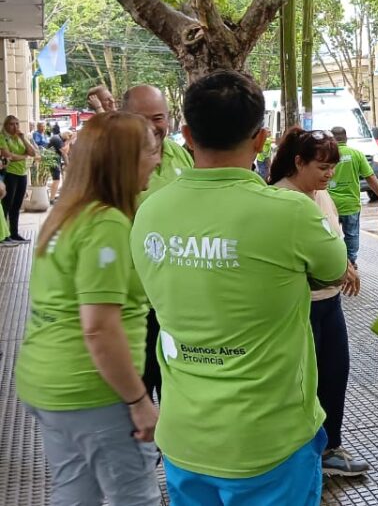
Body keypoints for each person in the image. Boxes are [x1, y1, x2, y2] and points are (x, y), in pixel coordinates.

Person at [130, 71, 348, 505]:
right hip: (271, 440)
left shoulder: (150, 211)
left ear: (187, 134)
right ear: (262, 138)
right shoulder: (288, 212)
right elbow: (333, 269)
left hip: (185, 438)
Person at [15, 111, 163, 506]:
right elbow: (99, 328)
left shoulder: (67, 214)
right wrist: (138, 400)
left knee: (76, 491)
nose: (159, 160)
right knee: (135, 495)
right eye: (152, 150)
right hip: (91, 390)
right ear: (125, 160)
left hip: (46, 381)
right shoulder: (106, 224)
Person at [269, 127, 371, 478]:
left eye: (332, 167)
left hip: (330, 305)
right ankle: (303, 454)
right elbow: (294, 261)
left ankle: (330, 448)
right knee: (304, 384)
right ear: (298, 162)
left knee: (335, 373)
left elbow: (333, 239)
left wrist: (348, 264)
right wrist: (339, 269)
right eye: (322, 167)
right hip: (301, 307)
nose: (329, 174)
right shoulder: (281, 199)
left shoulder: (319, 194)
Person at [121, 84, 194, 405]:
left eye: (159, 117)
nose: (153, 126)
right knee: (141, 382)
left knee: (177, 385)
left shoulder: (180, 153)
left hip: (178, 298)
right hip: (134, 302)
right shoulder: (114, 165)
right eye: (141, 118)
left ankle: (170, 447)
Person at [327, 126, 378, 266]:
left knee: (332, 234)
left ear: (332, 139)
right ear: (346, 138)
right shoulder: (356, 154)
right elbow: (370, 176)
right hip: (351, 204)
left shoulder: (326, 156)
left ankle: (335, 262)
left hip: (330, 205)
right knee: (352, 235)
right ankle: (351, 261)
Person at [0, 115, 38, 244]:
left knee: (16, 206)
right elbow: (8, 156)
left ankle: (14, 233)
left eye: (17, 124)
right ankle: (4, 235)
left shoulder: (20, 137)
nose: (15, 127)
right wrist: (24, 156)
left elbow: (33, 153)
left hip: (22, 174)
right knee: (7, 205)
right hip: (10, 174)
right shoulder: (2, 137)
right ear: (5, 125)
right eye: (11, 124)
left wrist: (22, 138)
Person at [46, 129, 65, 204]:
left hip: (53, 160)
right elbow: (64, 151)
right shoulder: (57, 139)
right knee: (56, 179)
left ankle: (52, 197)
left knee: (57, 179)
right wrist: (69, 141)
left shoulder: (57, 138)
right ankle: (52, 199)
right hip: (52, 161)